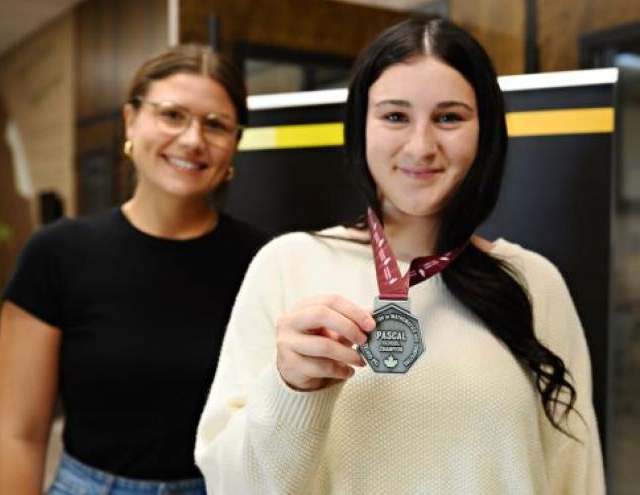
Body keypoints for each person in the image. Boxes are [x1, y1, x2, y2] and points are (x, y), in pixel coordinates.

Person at [194, 18, 605, 494]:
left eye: (449, 117)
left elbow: (577, 477)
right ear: (360, 127)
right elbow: (235, 487)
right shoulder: (287, 265)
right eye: (394, 116)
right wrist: (288, 388)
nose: (421, 146)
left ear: (485, 131)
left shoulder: (535, 282)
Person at [0, 44, 267, 495]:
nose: (193, 139)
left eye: (215, 125)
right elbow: (19, 435)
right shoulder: (57, 253)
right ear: (130, 121)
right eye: (172, 115)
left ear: (234, 144)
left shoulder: (265, 260)